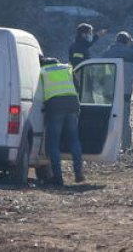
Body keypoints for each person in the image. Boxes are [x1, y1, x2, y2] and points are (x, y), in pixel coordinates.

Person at [39, 56, 84, 185]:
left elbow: (39, 92)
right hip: (72, 104)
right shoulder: (67, 68)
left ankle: (58, 177)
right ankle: (78, 172)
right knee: (74, 139)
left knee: (54, 143)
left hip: (55, 106)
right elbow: (77, 86)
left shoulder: (43, 71)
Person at [102, 31, 133, 150]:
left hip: (109, 91)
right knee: (124, 119)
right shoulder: (131, 53)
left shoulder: (107, 53)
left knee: (109, 118)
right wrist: (132, 41)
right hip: (125, 91)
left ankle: (108, 145)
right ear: (127, 41)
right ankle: (126, 146)